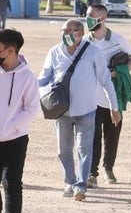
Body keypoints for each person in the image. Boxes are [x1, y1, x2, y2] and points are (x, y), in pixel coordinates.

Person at [38, 18, 119, 201]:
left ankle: (80, 186)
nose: (64, 34)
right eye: (63, 31)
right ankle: (70, 181)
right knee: (64, 150)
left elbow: (106, 80)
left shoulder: (93, 51)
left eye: (69, 31)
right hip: (61, 111)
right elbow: (43, 79)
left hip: (86, 110)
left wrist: (114, 107)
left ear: (80, 33)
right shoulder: (55, 51)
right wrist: (46, 98)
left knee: (84, 149)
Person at [84, 3, 131, 187]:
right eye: (87, 15)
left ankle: (108, 168)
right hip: (91, 98)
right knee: (93, 136)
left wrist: (119, 72)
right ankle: (92, 173)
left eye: (92, 16)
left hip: (114, 96)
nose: (88, 19)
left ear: (103, 18)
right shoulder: (84, 41)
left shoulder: (118, 39)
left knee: (112, 135)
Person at [0, 28, 37, 213]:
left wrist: (11, 127)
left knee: (12, 184)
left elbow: (31, 108)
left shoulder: (27, 77)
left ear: (11, 50)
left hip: (15, 139)